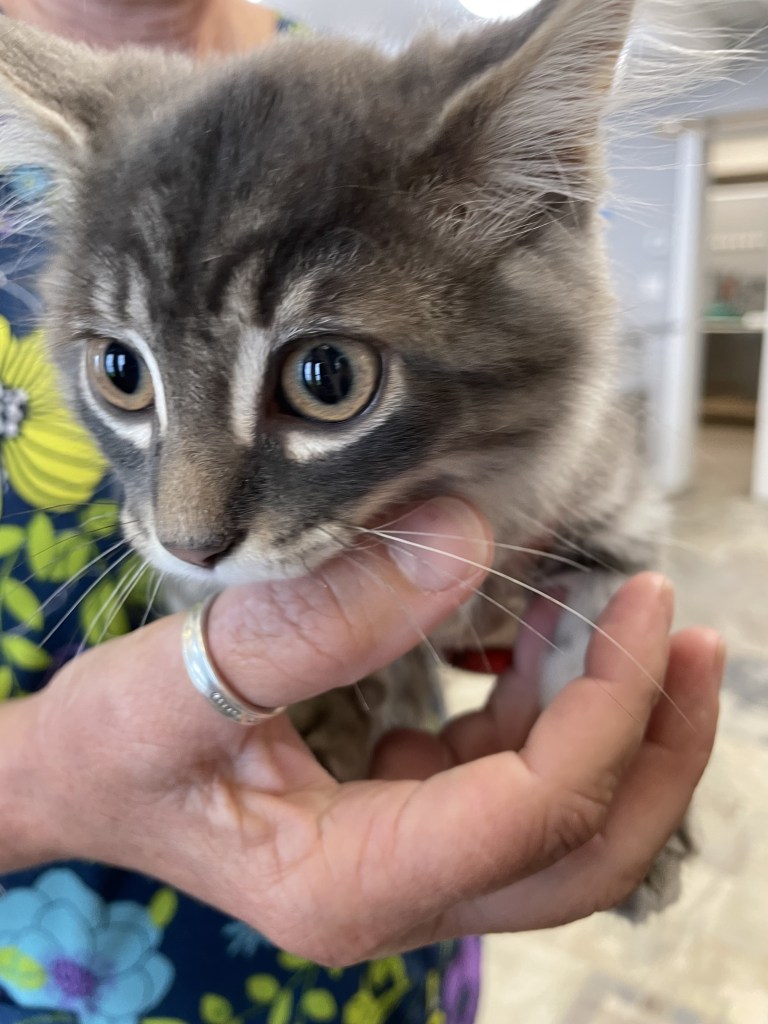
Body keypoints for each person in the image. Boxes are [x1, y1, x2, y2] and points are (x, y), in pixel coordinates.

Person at [0, 2, 724, 1022]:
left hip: (402, 948)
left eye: (325, 376)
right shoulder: (83, 134)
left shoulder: (399, 128)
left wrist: (566, 655)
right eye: (125, 373)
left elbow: (604, 531)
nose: (187, 523)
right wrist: (42, 784)